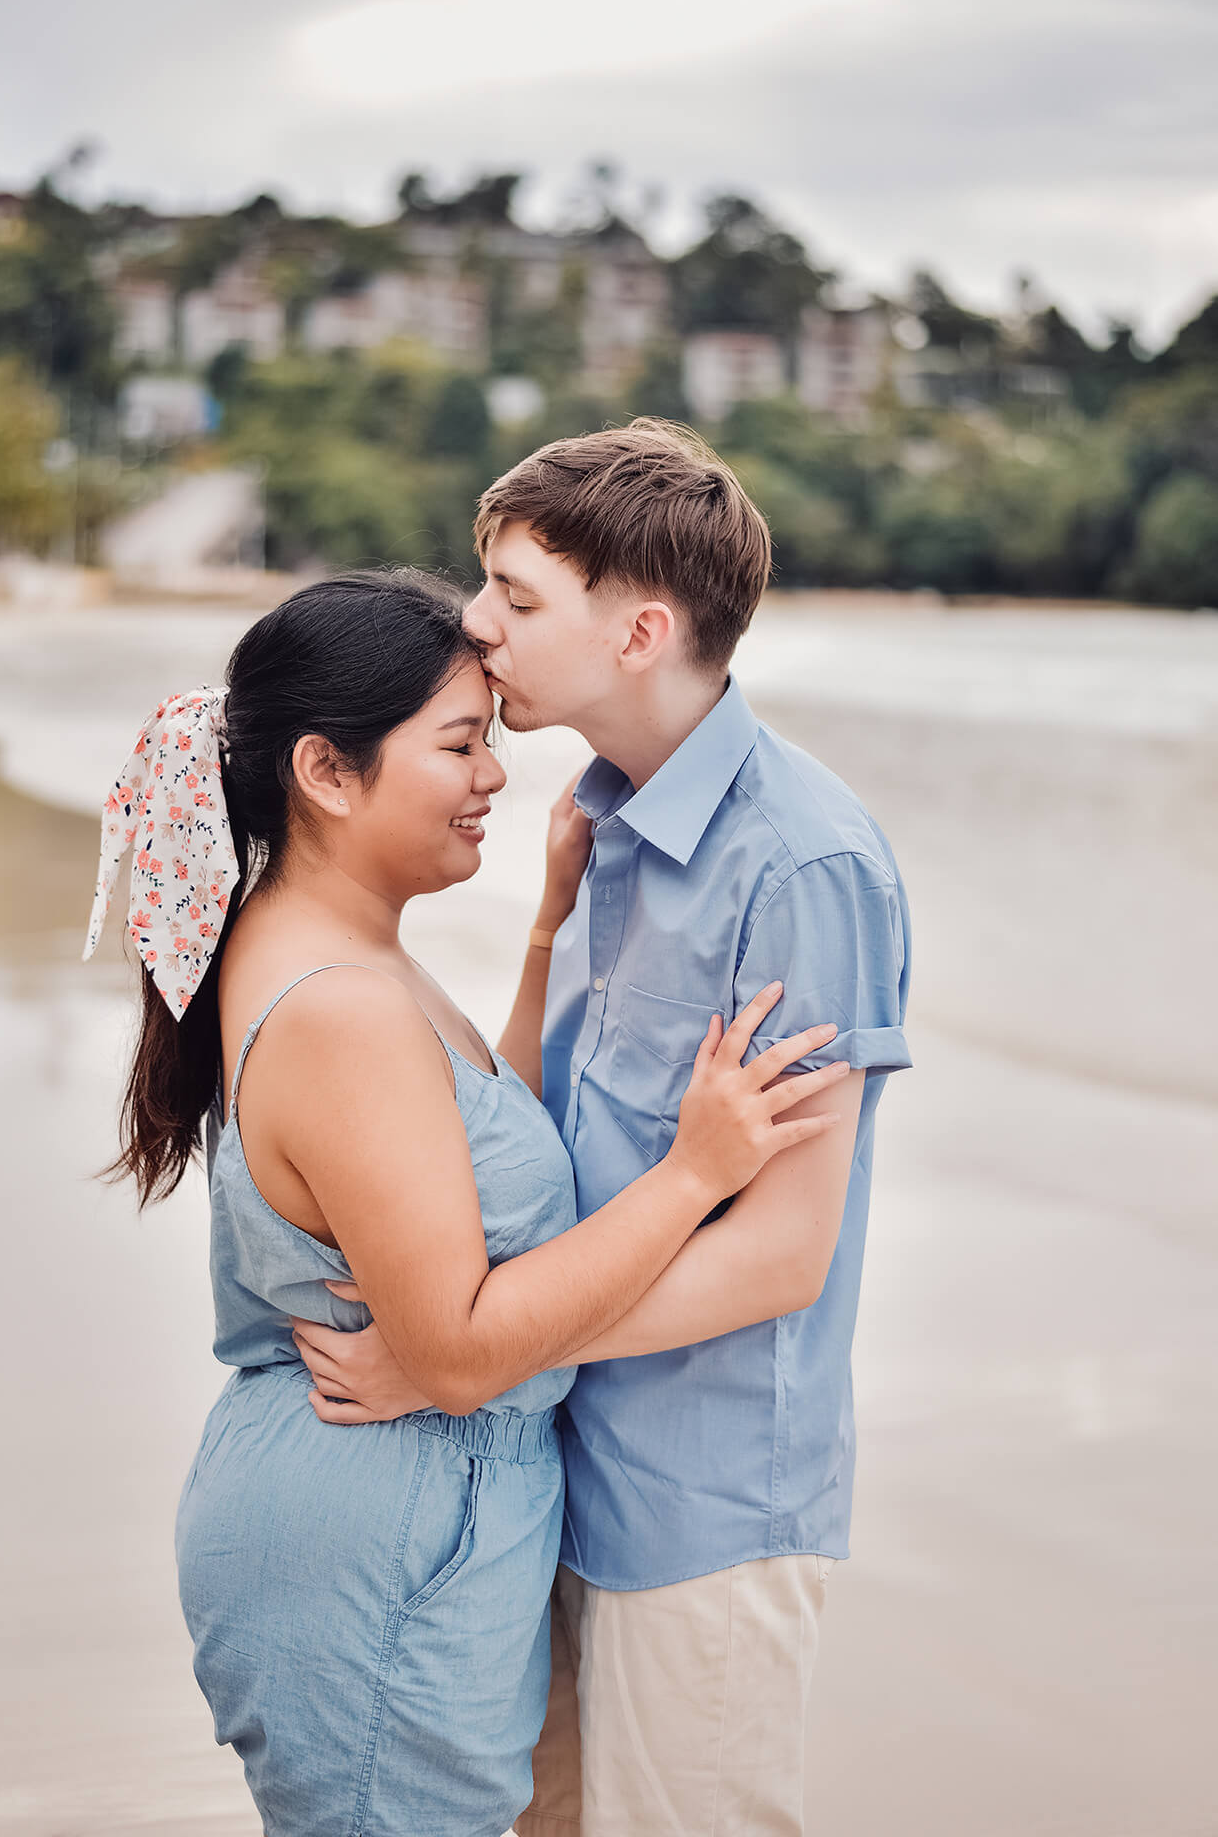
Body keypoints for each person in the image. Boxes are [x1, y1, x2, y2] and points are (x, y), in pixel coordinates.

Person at [84, 570, 844, 1837]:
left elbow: (481, 1160)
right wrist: (694, 1175)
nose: (494, 772)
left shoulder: (342, 941)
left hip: (396, 1526)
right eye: (457, 743)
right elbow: (456, 1349)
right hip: (376, 1548)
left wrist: (548, 927)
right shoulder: (337, 1004)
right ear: (327, 772)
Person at [292, 424, 913, 1837]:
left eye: (516, 597)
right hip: (551, 1477)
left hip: (697, 1510)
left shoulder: (801, 866)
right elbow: (551, 1139)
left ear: (637, 632)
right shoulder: (600, 822)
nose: (476, 623)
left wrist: (459, 1356)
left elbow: (778, 1259)